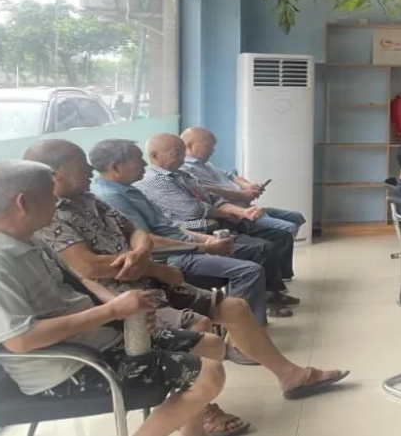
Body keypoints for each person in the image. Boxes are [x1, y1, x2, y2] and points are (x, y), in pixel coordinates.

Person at [20, 140, 349, 397]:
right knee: (204, 327)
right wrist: (154, 261)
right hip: (123, 299)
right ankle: (205, 410)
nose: (91, 169)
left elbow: (137, 231)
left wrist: (140, 253)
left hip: (151, 275)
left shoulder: (90, 198)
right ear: (54, 173)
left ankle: (291, 376)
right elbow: (88, 267)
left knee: (234, 307)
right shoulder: (48, 215)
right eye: (82, 163)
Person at [0, 159, 237, 436]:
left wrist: (123, 308)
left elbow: (80, 281)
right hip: (70, 368)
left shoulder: (28, 238)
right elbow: (21, 340)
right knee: (208, 375)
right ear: (23, 203)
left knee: (212, 344)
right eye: (49, 193)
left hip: (100, 340)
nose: (56, 200)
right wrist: (112, 312)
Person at [89, 138, 282, 324]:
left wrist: (207, 241)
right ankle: (244, 332)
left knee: (257, 247)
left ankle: (241, 321)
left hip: (185, 243)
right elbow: (149, 241)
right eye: (138, 160)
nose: (144, 164)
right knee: (249, 270)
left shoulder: (130, 189)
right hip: (171, 257)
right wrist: (203, 246)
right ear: (115, 166)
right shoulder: (112, 197)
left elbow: (170, 227)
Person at [135, 133, 298, 296]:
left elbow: (213, 198)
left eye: (182, 152)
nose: (182, 157)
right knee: (262, 249)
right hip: (197, 234)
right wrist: (232, 213)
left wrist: (243, 212)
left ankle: (269, 292)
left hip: (219, 225)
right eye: (176, 153)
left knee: (276, 237)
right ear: (154, 156)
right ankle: (262, 297)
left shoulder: (182, 175)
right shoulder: (154, 181)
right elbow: (194, 210)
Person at [180, 127, 306, 238]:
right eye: (209, 145)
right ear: (191, 145)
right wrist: (242, 195)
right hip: (235, 214)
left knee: (297, 217)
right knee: (289, 228)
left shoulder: (206, 163)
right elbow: (204, 190)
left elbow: (230, 175)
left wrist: (248, 185)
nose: (213, 150)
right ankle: (276, 251)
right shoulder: (184, 169)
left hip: (247, 206)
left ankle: (278, 248)